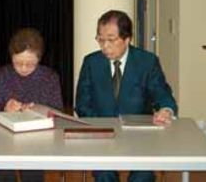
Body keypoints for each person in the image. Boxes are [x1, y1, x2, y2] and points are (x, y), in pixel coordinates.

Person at [76, 10, 177, 182]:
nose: (104, 46)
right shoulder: (91, 63)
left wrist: (166, 110)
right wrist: (102, 127)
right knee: (104, 175)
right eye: (100, 39)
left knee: (142, 176)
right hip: (103, 135)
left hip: (140, 136)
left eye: (111, 39)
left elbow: (161, 93)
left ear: (127, 39)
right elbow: (82, 104)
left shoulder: (147, 62)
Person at [0, 27, 63, 182]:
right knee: (3, 173)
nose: (24, 68)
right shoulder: (1, 76)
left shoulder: (49, 77)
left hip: (37, 139)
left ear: (39, 59)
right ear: (11, 57)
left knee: (32, 172)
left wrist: (40, 110)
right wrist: (4, 107)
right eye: (18, 63)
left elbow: (58, 111)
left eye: (30, 64)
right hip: (3, 139)